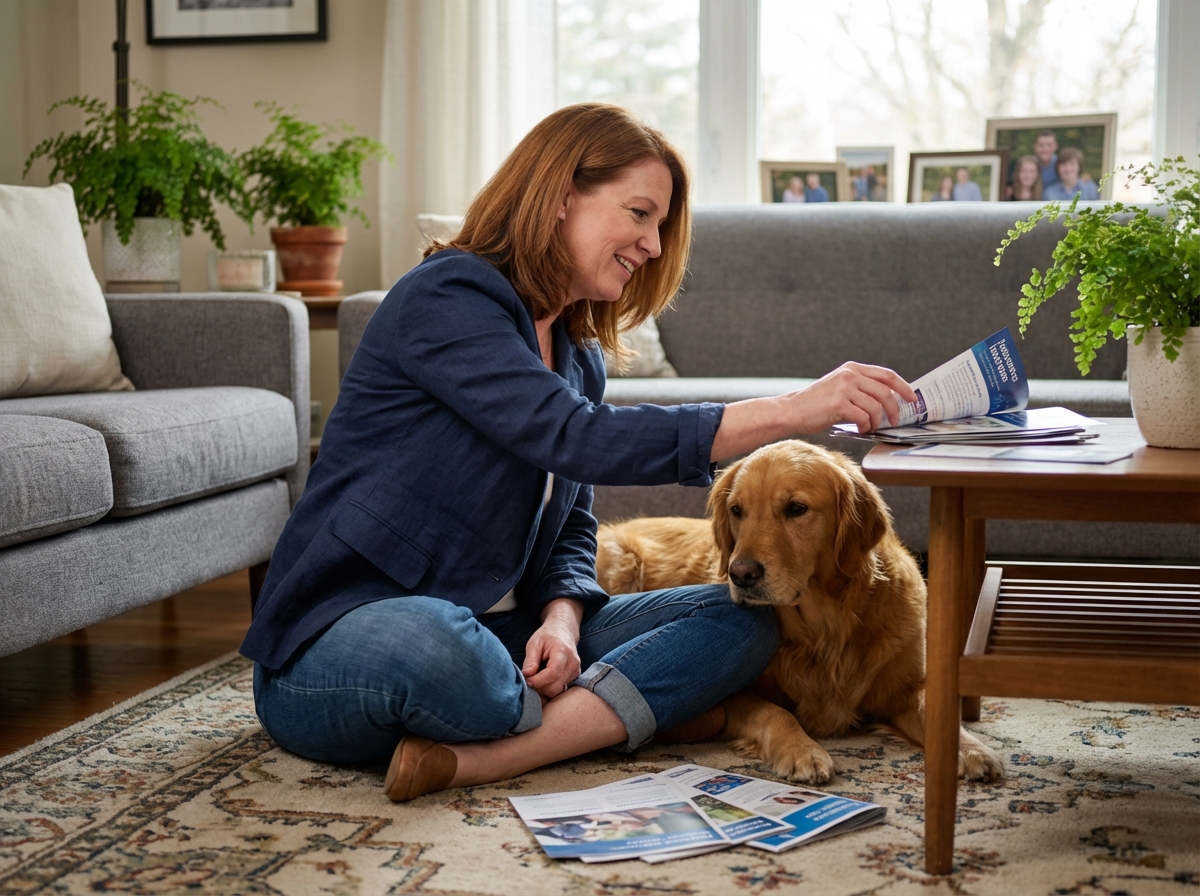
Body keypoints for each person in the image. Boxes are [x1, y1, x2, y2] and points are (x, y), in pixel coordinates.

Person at [240, 103, 916, 803]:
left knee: (739, 622)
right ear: (563, 197)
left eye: (660, 227)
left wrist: (562, 622)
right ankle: (614, 714)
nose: (653, 245)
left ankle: (487, 756)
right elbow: (578, 438)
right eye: (640, 214)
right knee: (442, 649)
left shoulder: (577, 355)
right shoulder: (446, 298)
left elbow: (569, 529)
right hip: (348, 641)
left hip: (504, 636)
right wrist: (796, 410)